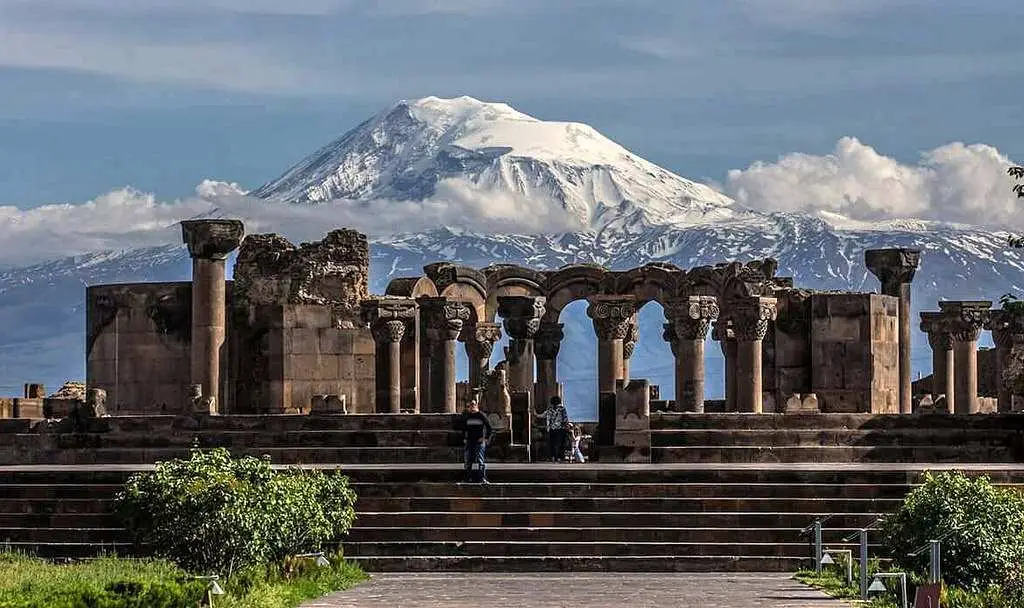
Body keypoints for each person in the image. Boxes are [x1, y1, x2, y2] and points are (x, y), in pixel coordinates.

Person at [460, 399, 492, 483]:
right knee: (468, 460)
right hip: (470, 441)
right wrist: (464, 438)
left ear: (477, 405)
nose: (472, 406)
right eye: (470, 405)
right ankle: (467, 478)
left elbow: (489, 428)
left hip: (479, 441)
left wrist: (485, 438)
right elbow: (463, 429)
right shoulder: (467, 416)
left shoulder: (481, 415)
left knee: (480, 460)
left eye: (473, 404)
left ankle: (482, 478)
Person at [545, 395, 569, 462]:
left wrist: (548, 428)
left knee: (552, 443)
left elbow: (547, 418)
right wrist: (567, 426)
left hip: (552, 429)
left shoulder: (550, 409)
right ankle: (559, 457)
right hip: (560, 429)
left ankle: (553, 456)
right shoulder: (562, 409)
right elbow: (565, 419)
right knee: (560, 444)